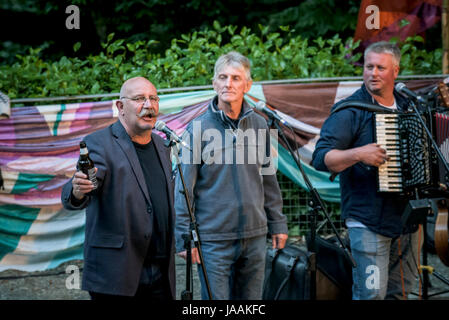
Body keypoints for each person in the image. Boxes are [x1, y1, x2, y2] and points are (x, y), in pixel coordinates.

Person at [174, 51, 289, 300]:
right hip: (214, 239)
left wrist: (277, 222)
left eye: (236, 78)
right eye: (222, 77)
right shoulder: (197, 129)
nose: (228, 83)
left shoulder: (261, 125)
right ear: (214, 83)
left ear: (247, 85)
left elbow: (269, 180)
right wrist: (184, 237)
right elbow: (184, 188)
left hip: (256, 235)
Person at [312, 42, 421, 300]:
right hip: (367, 220)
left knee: (404, 295)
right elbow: (320, 158)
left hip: (408, 218)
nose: (373, 73)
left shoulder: (410, 107)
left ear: (395, 71)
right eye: (368, 66)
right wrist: (358, 153)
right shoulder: (350, 110)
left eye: (380, 67)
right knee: (371, 294)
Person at [61, 77, 176, 300]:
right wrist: (78, 190)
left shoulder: (163, 145)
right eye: (139, 99)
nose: (149, 105)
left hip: (161, 272)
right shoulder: (99, 143)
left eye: (153, 98)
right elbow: (85, 185)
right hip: (118, 273)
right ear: (120, 107)